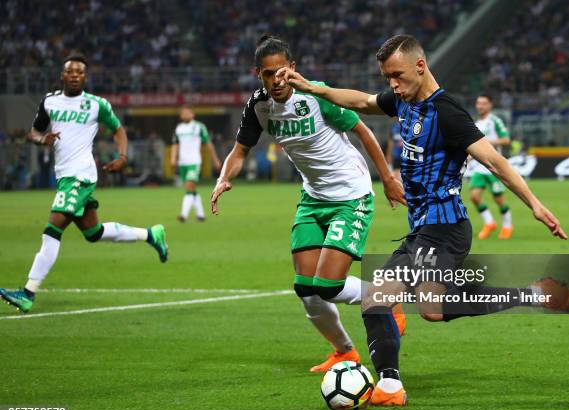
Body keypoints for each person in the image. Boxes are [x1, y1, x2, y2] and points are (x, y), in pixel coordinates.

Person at [275, 34, 569, 405]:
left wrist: (535, 204)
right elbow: (360, 101)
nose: (393, 85)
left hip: (446, 229)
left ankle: (390, 387)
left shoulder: (448, 113)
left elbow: (494, 161)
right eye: (387, 77)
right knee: (433, 309)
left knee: (376, 299)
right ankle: (539, 293)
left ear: (420, 67)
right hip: (425, 229)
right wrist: (313, 88)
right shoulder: (402, 101)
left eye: (398, 75)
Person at [210, 36, 406, 372]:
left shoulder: (315, 95)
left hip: (350, 196)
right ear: (258, 74)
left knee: (328, 286)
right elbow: (239, 150)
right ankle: (344, 351)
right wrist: (224, 177)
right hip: (313, 198)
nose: (276, 80)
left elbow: (362, 130)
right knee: (306, 288)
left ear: (293, 68)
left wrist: (387, 178)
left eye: (281, 72)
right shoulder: (258, 105)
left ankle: (387, 297)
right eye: (268, 74)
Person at [0, 54, 169, 314]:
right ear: (63, 75)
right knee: (94, 232)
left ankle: (27, 293)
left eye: (80, 72)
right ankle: (150, 234)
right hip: (65, 175)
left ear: (85, 77)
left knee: (52, 229)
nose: (76, 75)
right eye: (71, 71)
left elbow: (118, 130)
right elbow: (32, 132)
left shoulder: (96, 104)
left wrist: (123, 156)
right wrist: (42, 139)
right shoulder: (50, 101)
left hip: (81, 175)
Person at [469, 94, 513, 239]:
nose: (480, 106)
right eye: (478, 103)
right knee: (474, 196)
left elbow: (506, 140)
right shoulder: (476, 124)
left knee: (498, 199)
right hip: (479, 167)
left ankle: (507, 226)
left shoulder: (495, 121)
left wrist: (487, 142)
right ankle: (489, 223)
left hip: (494, 167)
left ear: (490, 105)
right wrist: (469, 157)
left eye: (483, 103)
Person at [171, 106, 221, 222]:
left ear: (192, 114)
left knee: (189, 186)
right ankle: (201, 215)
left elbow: (208, 143)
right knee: (192, 189)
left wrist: (215, 160)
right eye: (183, 113)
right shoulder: (179, 128)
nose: (185, 114)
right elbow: (175, 144)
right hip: (183, 162)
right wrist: (173, 158)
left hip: (194, 161)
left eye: (187, 112)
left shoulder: (199, 127)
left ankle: (183, 215)